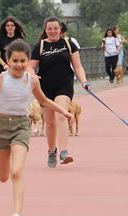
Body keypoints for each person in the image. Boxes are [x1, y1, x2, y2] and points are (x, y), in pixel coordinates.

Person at [0, 39, 74, 216]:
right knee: (3, 177)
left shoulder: (32, 80)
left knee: (16, 172)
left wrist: (64, 112)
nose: (19, 65)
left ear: (28, 61)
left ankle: (17, 214)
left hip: (21, 126)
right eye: (15, 61)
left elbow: (44, 100)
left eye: (23, 61)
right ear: (8, 61)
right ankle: (15, 209)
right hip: (1, 126)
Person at [28, 17, 90, 168]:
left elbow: (78, 66)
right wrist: (33, 75)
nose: (53, 31)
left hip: (64, 85)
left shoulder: (68, 44)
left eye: (55, 28)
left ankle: (64, 151)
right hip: (45, 88)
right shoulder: (40, 46)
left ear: (60, 29)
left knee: (61, 115)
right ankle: (51, 151)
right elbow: (30, 67)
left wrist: (84, 81)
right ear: (45, 30)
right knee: (50, 123)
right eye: (49, 29)